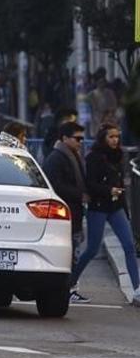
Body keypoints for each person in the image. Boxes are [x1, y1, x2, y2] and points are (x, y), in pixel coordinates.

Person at [70, 123, 140, 304]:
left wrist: (126, 211)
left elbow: (121, 185)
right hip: (99, 207)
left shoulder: (118, 155)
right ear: (103, 138)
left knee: (129, 246)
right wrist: (109, 190)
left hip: (116, 208)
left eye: (117, 136)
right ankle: (69, 283)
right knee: (92, 249)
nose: (115, 140)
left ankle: (137, 289)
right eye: (111, 137)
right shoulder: (94, 157)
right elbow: (90, 184)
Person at [43, 121, 88, 300]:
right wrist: (80, 194)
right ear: (64, 138)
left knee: (74, 253)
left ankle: (70, 289)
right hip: (65, 213)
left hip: (74, 212)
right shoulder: (57, 158)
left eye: (82, 139)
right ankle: (67, 290)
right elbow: (56, 186)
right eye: (77, 138)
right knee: (70, 255)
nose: (81, 142)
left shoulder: (72, 155)